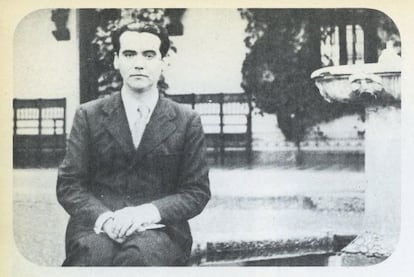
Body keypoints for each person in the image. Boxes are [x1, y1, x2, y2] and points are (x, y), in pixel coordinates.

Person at [56, 22, 211, 266]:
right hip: (97, 228)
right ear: (116, 60)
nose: (139, 63)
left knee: (139, 260)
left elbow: (196, 192)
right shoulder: (89, 115)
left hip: (161, 230)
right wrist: (105, 219)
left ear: (164, 61)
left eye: (149, 55)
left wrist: (144, 213)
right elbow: (69, 186)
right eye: (129, 54)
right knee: (93, 259)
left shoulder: (186, 120)